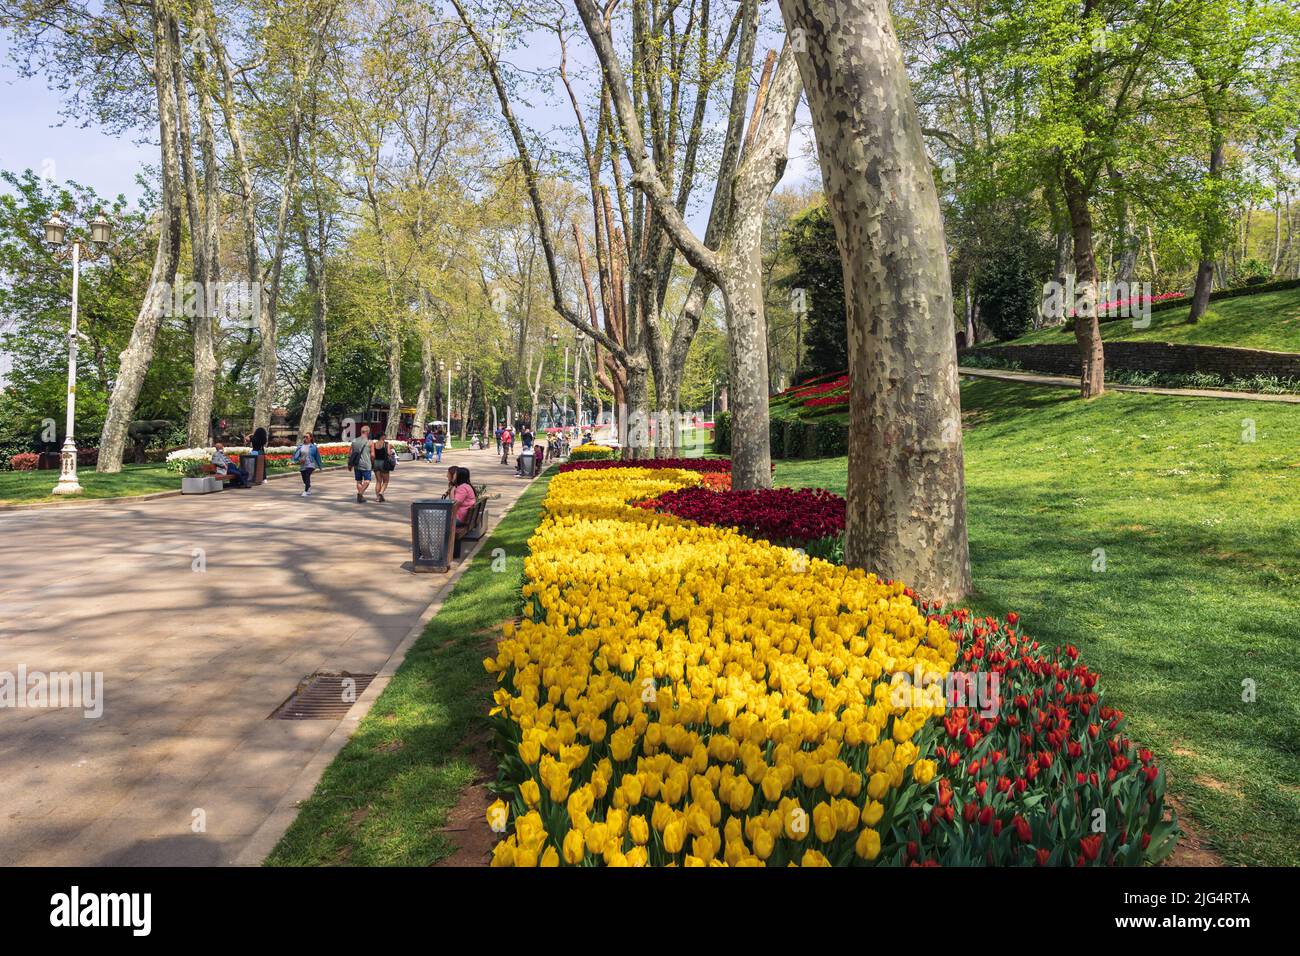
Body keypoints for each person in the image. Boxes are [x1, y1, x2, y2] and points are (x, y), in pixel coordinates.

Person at [349, 425, 374, 503]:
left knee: (359, 481)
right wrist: (372, 462)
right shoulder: (370, 442)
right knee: (367, 481)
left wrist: (349, 464)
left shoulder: (354, 441)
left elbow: (350, 453)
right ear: (368, 432)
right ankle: (360, 494)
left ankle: (361, 497)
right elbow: (373, 455)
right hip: (366, 464)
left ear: (361, 431)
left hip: (356, 464)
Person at [450, 466, 477, 540]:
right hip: (465, 517)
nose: (453, 476)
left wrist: (452, 492)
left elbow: (454, 505)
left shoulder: (462, 488)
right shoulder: (467, 486)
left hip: (460, 518)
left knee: (435, 520)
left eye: (455, 474)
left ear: (459, 476)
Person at [372, 433, 395, 502]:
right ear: (382, 436)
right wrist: (391, 451)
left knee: (378, 481)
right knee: (385, 481)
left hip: (376, 463)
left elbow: (372, 453)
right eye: (385, 436)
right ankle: (381, 493)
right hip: (384, 463)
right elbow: (388, 453)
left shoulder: (374, 444)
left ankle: (377, 498)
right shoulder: (386, 444)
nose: (386, 437)